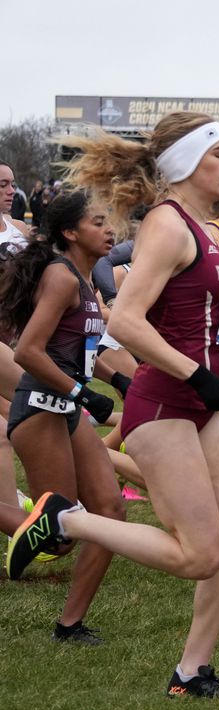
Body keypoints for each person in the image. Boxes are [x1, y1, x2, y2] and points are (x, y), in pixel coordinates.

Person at [11, 111, 219, 698]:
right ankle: (64, 519)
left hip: (202, 397)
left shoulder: (207, 229)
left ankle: (191, 673)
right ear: (187, 163)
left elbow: (189, 319)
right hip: (164, 405)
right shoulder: (166, 224)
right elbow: (127, 320)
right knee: (199, 555)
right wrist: (194, 373)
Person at [0, 190, 122, 643]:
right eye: (97, 221)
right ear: (70, 232)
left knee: (110, 510)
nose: (109, 229)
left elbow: (75, 348)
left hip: (66, 407)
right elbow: (28, 351)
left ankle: (69, 625)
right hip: (40, 408)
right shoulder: (61, 276)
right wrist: (83, 393)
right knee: (60, 534)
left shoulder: (83, 278)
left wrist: (116, 379)